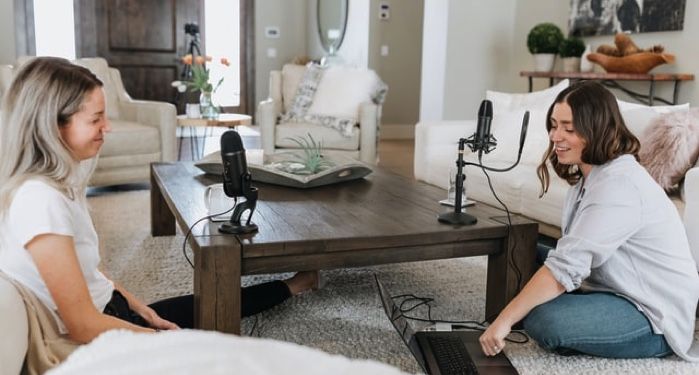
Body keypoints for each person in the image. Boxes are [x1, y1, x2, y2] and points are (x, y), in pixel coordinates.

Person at [0, 57, 320, 343]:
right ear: (53, 127)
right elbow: (83, 326)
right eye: (96, 119)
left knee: (207, 305)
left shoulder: (56, 186)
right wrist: (157, 339)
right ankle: (290, 288)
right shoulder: (39, 202)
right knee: (218, 347)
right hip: (99, 336)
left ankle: (293, 286)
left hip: (113, 312)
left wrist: (140, 308)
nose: (107, 127)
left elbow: (91, 273)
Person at [479, 81, 699, 360]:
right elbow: (570, 257)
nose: (556, 136)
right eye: (554, 124)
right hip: (613, 284)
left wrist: (505, 320)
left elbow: (566, 267)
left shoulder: (620, 187)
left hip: (652, 313)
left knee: (544, 322)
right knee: (520, 247)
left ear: (596, 130)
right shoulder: (591, 177)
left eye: (569, 129)